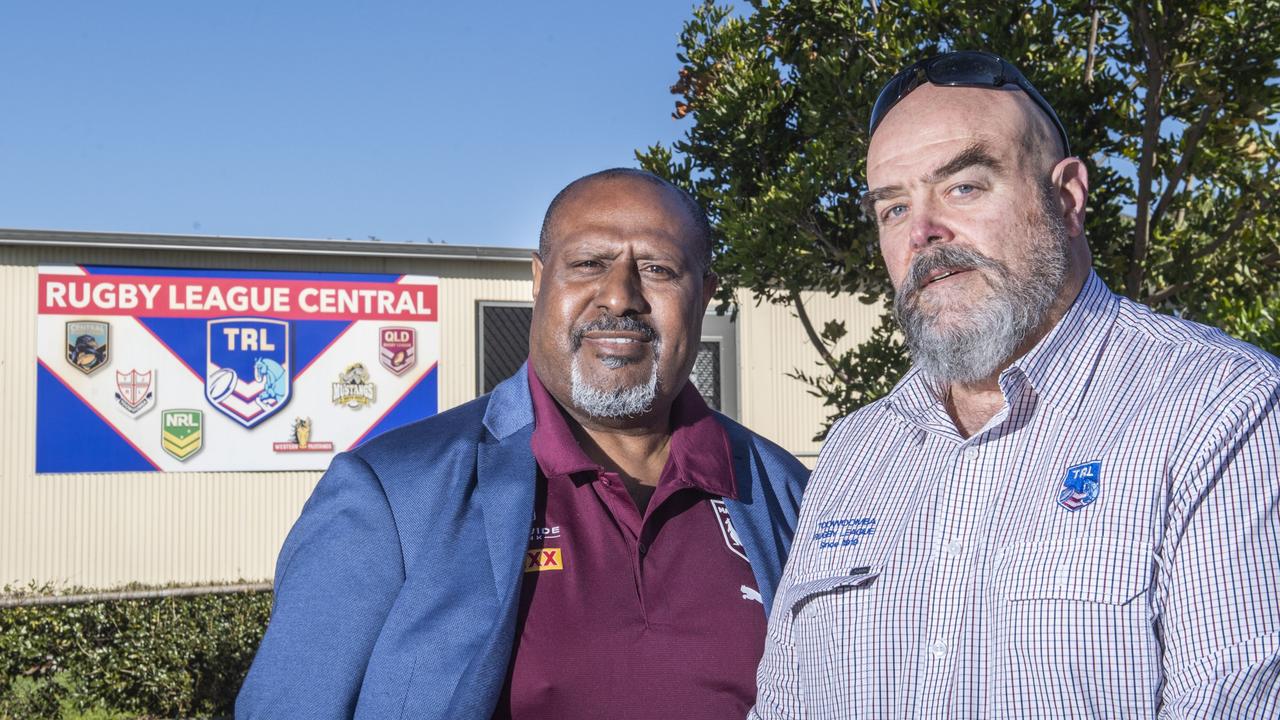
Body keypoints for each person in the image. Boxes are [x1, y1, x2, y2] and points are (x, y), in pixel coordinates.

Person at [752, 51, 1280, 718]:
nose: (922, 233)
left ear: (1066, 200)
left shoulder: (1220, 408)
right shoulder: (856, 452)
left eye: (963, 187)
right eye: (892, 209)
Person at [237, 168, 808, 719]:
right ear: (538, 281)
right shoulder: (393, 493)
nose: (620, 296)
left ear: (703, 294)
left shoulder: (788, 496)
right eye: (589, 263)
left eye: (658, 269)